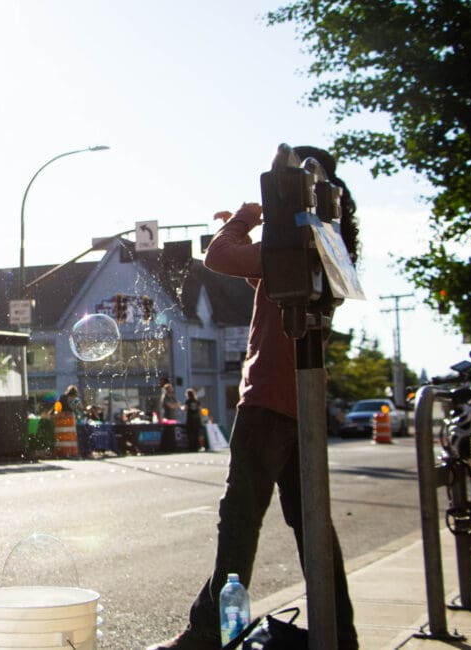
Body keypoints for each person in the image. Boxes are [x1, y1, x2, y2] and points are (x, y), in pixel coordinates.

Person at [147, 146, 360, 650]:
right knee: (311, 524)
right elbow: (260, 278)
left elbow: (218, 256)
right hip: (299, 402)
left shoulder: (295, 243)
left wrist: (245, 218)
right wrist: (245, 234)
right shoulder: (325, 244)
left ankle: (205, 632)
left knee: (240, 519)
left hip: (265, 399)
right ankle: (341, 633)